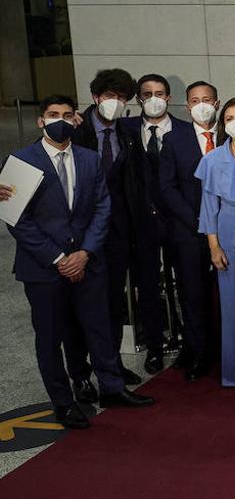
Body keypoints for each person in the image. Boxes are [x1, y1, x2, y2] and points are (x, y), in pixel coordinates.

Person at [9, 96, 155, 430]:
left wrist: (85, 252)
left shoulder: (89, 159)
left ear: (76, 120)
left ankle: (112, 388)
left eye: (66, 114)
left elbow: (103, 207)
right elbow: (18, 221)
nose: (59, 120)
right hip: (44, 268)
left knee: (99, 327)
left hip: (88, 261)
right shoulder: (20, 161)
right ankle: (63, 402)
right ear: (40, 121)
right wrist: (59, 258)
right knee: (50, 337)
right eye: (52, 115)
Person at [70, 68, 145, 386]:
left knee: (114, 301)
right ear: (96, 97)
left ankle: (110, 365)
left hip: (117, 230)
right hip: (81, 232)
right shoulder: (75, 129)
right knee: (79, 306)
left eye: (122, 98)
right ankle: (80, 373)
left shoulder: (126, 131)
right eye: (110, 96)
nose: (115, 103)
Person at [195, 97, 235, 390]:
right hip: (229, 236)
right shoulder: (212, 160)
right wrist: (213, 246)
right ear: (223, 124)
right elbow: (208, 206)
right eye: (230, 117)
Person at [158, 80, 219, 380]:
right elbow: (167, 188)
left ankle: (226, 349)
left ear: (217, 103)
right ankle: (197, 352)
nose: (202, 104)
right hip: (189, 231)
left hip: (228, 231)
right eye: (195, 100)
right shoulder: (174, 140)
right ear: (187, 105)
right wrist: (198, 221)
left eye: (207, 99)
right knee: (193, 294)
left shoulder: (233, 134)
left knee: (224, 294)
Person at [120, 73, 177, 374]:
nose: (153, 98)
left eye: (159, 93)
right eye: (147, 93)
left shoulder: (183, 130)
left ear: (168, 97)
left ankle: (190, 342)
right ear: (138, 98)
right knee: (148, 287)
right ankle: (154, 346)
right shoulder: (125, 128)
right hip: (142, 222)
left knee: (189, 283)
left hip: (178, 221)